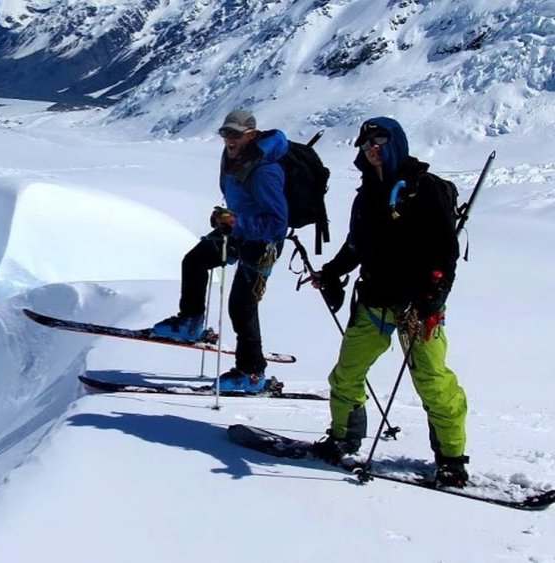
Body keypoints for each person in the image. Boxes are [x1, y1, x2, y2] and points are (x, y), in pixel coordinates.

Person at [309, 116, 469, 487]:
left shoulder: (424, 189)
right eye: (366, 145)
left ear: (396, 141)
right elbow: (355, 247)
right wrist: (331, 272)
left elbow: (447, 250)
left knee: (433, 381)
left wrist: (436, 292)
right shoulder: (366, 195)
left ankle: (452, 458)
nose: (372, 150)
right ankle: (343, 437)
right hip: (374, 299)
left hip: (418, 306)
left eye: (379, 141)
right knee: (347, 373)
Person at [151, 109, 289, 393]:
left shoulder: (265, 171)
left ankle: (252, 374)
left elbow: (277, 223)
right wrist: (226, 218)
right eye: (225, 133)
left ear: (251, 135)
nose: (229, 139)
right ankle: (190, 322)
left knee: (242, 305)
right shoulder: (234, 159)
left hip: (263, 244)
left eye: (235, 134)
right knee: (195, 260)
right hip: (238, 233)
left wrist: (237, 223)